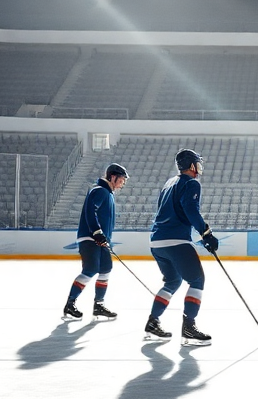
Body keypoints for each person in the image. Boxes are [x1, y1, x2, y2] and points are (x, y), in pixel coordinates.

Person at [145, 148, 218, 346]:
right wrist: (206, 233)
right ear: (192, 165)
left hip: (156, 241)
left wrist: (202, 232)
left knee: (172, 281)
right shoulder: (191, 183)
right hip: (175, 241)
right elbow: (190, 209)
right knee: (197, 280)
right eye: (198, 163)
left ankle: (152, 322)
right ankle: (189, 328)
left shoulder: (169, 183)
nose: (199, 168)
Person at [64, 164, 128, 321]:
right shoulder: (99, 191)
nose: (122, 183)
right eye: (121, 179)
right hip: (90, 238)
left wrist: (103, 237)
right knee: (91, 269)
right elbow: (90, 211)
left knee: (106, 268)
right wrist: (97, 232)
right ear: (112, 177)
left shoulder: (108, 194)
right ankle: (70, 304)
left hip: (101, 240)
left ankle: (99, 305)